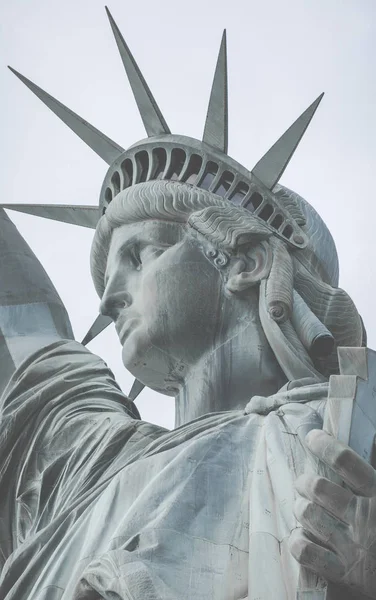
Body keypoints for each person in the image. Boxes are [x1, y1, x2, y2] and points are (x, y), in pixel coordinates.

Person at [1, 9, 375, 599]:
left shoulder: (352, 446)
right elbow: (19, 333)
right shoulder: (87, 469)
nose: (108, 296)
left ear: (244, 261)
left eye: (142, 254)